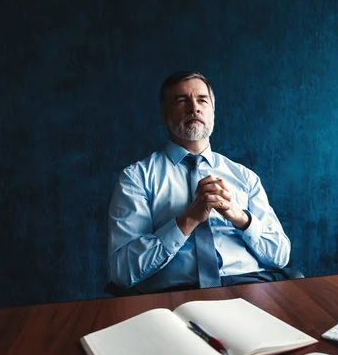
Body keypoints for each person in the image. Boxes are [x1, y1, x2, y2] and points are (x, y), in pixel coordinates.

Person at [107, 71, 292, 293]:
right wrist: (187, 220)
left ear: (213, 112)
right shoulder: (136, 179)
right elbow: (122, 272)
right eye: (181, 100)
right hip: (174, 298)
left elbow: (280, 256)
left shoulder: (245, 177)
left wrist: (240, 217)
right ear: (165, 115)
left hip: (250, 289)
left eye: (202, 100)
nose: (194, 107)